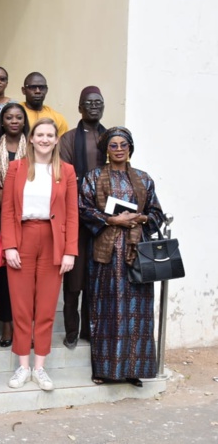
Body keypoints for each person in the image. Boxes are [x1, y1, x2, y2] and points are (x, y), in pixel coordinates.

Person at [0, 118, 78, 391]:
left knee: (45, 307)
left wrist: (70, 251)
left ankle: (40, 368)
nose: (44, 139)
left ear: (56, 140)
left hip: (53, 241)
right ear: (31, 139)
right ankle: (23, 366)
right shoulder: (17, 168)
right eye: (39, 134)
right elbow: (6, 210)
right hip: (22, 238)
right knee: (20, 306)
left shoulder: (66, 171)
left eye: (49, 135)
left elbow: (73, 215)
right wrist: (9, 245)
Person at [79, 127, 165, 387]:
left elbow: (157, 213)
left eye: (123, 145)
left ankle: (133, 369)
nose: (118, 149)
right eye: (113, 145)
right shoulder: (93, 177)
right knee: (106, 311)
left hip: (136, 253)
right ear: (106, 149)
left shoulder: (144, 179)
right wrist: (111, 219)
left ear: (130, 148)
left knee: (137, 313)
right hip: (106, 256)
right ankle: (104, 370)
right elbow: (83, 208)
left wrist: (140, 218)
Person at [59, 86, 107, 349]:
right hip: (76, 217)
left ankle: (91, 328)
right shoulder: (67, 139)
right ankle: (71, 331)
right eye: (88, 103)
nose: (93, 106)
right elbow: (66, 178)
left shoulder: (110, 138)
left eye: (98, 102)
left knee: (96, 278)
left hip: (102, 222)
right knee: (74, 280)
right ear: (79, 107)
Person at [0, 103, 30, 349]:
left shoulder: (33, 147)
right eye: (9, 117)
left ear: (24, 122)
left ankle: (24, 324)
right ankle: (6, 323)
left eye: (18, 117)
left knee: (23, 273)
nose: (14, 121)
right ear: (1, 121)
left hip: (26, 218)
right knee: (1, 273)